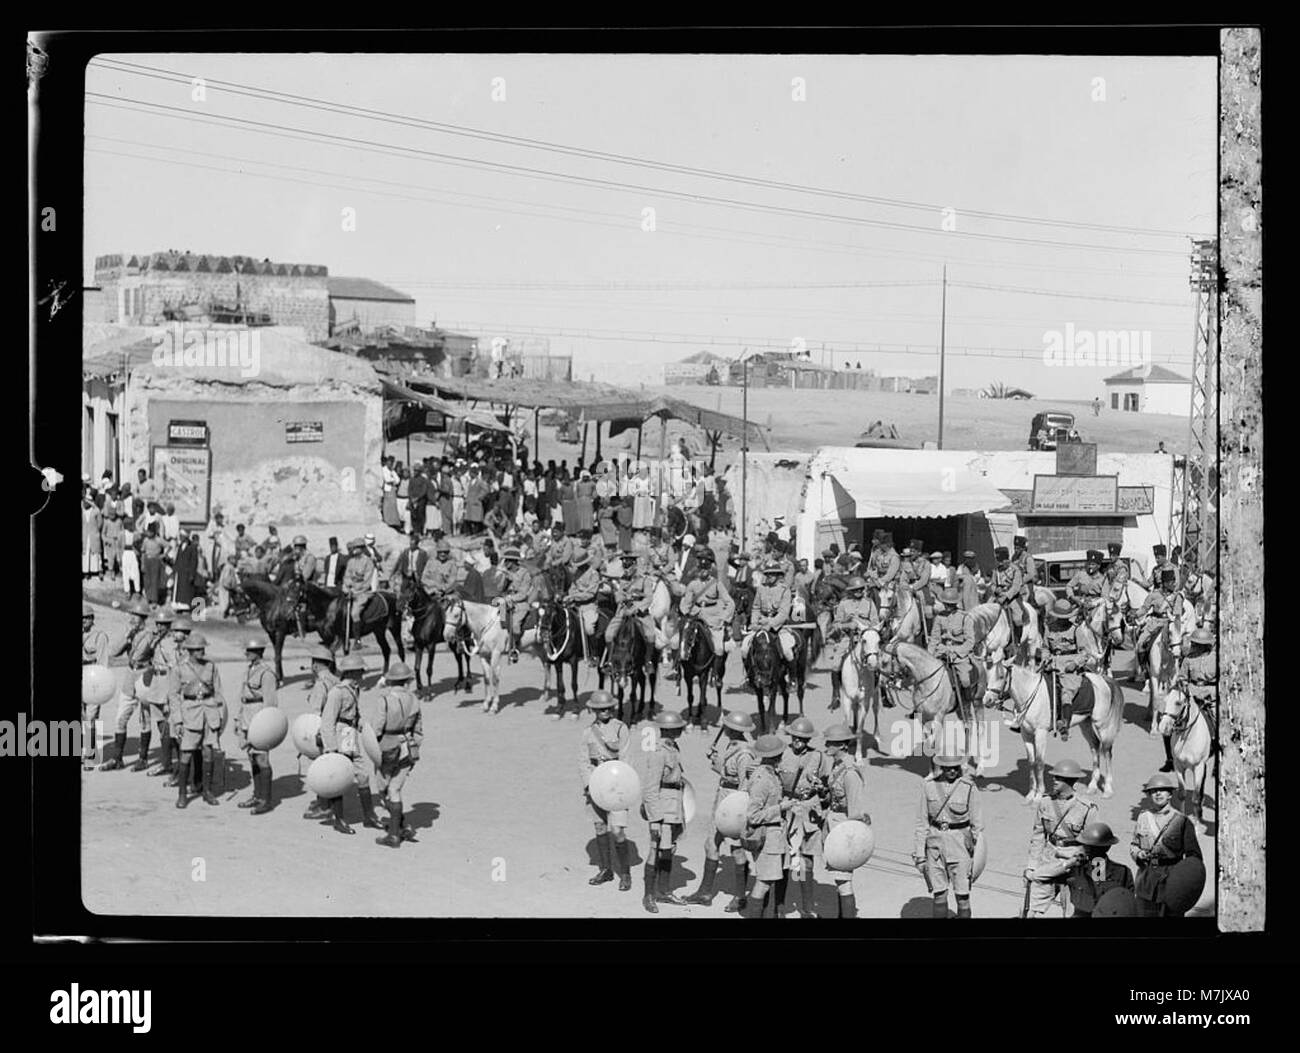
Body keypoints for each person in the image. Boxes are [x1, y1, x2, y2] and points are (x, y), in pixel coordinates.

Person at [685, 710, 758, 910]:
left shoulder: (745, 753)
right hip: (721, 799)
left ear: (733, 729)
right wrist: (716, 760)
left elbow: (744, 785)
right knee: (711, 844)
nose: (723, 728)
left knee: (736, 849)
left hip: (734, 803)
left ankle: (740, 896)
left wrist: (739, 812)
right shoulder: (732, 745)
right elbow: (726, 772)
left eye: (727, 726)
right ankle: (705, 892)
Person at [1022, 759, 1097, 918]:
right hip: (1048, 859)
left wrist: (1097, 877)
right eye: (1054, 777)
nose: (1054, 780)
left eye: (1058, 778)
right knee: (1031, 911)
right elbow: (1038, 836)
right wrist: (1031, 866)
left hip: (1073, 865)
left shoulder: (1086, 808)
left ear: (1070, 781)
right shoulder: (1046, 802)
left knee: (1071, 913)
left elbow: (1094, 845)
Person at [319, 654, 383, 836]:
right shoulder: (337, 692)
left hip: (351, 734)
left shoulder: (354, 689)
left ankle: (369, 816)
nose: (363, 673)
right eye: (360, 670)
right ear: (353, 672)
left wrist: (365, 727)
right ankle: (338, 819)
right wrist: (330, 748)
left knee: (362, 775)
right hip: (339, 735)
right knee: (339, 777)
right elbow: (327, 721)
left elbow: (355, 713)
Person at [914, 753, 983, 918]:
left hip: (960, 847)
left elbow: (977, 826)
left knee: (962, 896)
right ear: (941, 767)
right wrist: (919, 854)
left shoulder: (969, 787)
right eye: (948, 768)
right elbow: (922, 823)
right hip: (935, 847)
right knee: (939, 895)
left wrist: (976, 854)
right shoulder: (928, 786)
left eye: (955, 768)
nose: (952, 771)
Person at [580, 690, 632, 888]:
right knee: (600, 827)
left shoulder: (621, 729)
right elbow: (583, 760)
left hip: (617, 785)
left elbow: (626, 757)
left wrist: (623, 783)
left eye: (608, 708)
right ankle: (606, 869)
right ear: (593, 710)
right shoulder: (588, 732)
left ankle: (625, 874)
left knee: (618, 830)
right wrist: (588, 784)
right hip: (596, 785)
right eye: (600, 709)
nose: (605, 711)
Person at [169, 633, 228, 809]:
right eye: (198, 649)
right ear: (190, 651)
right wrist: (178, 720)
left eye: (202, 648)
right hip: (190, 713)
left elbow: (218, 692)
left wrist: (220, 715)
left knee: (208, 751)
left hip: (209, 712)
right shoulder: (179, 668)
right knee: (186, 752)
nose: (201, 652)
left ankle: (207, 791)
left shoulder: (211, 666)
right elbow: (173, 696)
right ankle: (182, 794)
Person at [1132, 771, 1203, 916]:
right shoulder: (1143, 817)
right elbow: (1134, 845)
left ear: (1170, 794)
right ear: (1149, 795)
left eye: (1162, 790)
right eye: (1153, 791)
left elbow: (1194, 858)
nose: (1157, 793)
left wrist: (1184, 884)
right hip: (1146, 882)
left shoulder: (1181, 821)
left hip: (1172, 883)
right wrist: (1139, 854)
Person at [778, 717, 828, 918]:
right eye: (796, 737)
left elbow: (825, 786)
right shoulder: (782, 752)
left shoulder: (818, 757)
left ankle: (807, 908)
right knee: (783, 860)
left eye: (803, 738)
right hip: (788, 809)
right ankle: (779, 906)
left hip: (808, 811)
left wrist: (821, 790)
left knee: (804, 861)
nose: (799, 741)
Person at [641, 710, 689, 913]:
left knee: (669, 850)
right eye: (678, 727)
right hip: (662, 808)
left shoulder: (673, 748)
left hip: (674, 806)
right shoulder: (659, 752)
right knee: (655, 849)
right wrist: (655, 819)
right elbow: (650, 788)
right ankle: (649, 895)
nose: (681, 729)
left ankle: (664, 891)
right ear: (670, 730)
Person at [99, 598, 155, 771]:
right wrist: (126, 636)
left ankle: (143, 758)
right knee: (120, 718)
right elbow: (113, 652)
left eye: (136, 616)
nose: (132, 618)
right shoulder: (128, 632)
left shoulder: (150, 635)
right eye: (131, 615)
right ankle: (117, 758)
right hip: (130, 677)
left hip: (145, 677)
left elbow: (150, 654)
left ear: (143, 618)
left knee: (145, 719)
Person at [742, 734, 793, 918]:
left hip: (776, 836)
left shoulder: (772, 774)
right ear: (775, 756)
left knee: (768, 881)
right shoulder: (763, 779)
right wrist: (780, 808)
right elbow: (753, 816)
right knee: (763, 882)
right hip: (767, 837)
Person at [372, 662, 422, 848]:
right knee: (396, 789)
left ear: (391, 679)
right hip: (407, 747)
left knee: (385, 789)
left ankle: (394, 834)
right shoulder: (414, 699)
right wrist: (414, 747)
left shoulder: (384, 700)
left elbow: (376, 729)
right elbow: (418, 730)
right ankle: (400, 826)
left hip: (387, 747)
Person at [233, 637, 278, 814]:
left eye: (249, 651)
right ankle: (257, 795)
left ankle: (266, 800)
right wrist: (238, 719)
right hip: (247, 714)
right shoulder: (249, 669)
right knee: (252, 756)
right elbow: (242, 696)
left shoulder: (266, 673)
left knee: (262, 758)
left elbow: (271, 701)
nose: (246, 654)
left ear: (258, 653)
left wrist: (266, 726)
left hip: (259, 716)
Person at [824, 577, 878, 711]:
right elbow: (836, 623)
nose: (858, 592)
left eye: (860, 589)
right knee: (836, 663)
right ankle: (836, 695)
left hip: (865, 636)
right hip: (848, 637)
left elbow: (875, 622)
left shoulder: (869, 603)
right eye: (855, 590)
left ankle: (881, 693)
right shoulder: (843, 604)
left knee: (877, 660)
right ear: (851, 591)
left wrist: (863, 625)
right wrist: (848, 625)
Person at [301, 644, 339, 821]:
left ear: (316, 664)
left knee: (320, 769)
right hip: (336, 729)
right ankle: (323, 801)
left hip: (322, 730)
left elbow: (315, 712)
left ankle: (324, 806)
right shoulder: (336, 681)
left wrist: (308, 736)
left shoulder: (320, 684)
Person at [1066, 823, 1134, 918]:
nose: (1086, 848)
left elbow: (1128, 904)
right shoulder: (1075, 869)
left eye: (1090, 846)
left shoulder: (1123, 872)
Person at [929, 586, 978, 717]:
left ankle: (966, 707)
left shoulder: (965, 617)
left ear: (955, 604)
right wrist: (929, 655)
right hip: (941, 652)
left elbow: (970, 641)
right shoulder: (939, 617)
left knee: (965, 679)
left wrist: (956, 652)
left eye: (950, 605)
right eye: (946, 604)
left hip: (959, 655)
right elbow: (934, 639)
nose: (948, 607)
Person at [679, 552, 735, 660]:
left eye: (705, 569)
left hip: (713, 618)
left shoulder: (716, 584)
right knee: (681, 640)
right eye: (700, 569)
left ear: (709, 570)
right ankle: (676, 668)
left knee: (718, 648)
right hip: (695, 615)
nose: (703, 571)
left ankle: (715, 674)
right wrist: (686, 614)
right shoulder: (692, 584)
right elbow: (686, 603)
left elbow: (729, 602)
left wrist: (724, 617)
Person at [740, 561, 797, 664]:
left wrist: (770, 624)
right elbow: (756, 607)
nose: (770, 576)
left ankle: (792, 678)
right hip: (761, 624)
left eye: (773, 573)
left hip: (779, 627)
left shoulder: (785, 590)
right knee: (744, 648)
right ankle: (749, 676)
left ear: (778, 575)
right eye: (767, 574)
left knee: (787, 651)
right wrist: (754, 622)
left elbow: (784, 613)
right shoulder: (761, 588)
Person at [1133, 569, 1183, 684]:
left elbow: (1177, 612)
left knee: (1181, 644)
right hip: (1155, 622)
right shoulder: (1154, 595)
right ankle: (1144, 670)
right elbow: (1144, 608)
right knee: (1140, 643)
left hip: (1171, 623)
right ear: (1164, 583)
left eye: (1174, 581)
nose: (1174, 584)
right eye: (1171, 582)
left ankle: (1182, 669)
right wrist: (1134, 615)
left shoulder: (1177, 596)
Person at [81, 603, 109, 769]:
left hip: (93, 678)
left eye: (87, 618)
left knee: (91, 716)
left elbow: (103, 662)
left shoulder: (100, 636)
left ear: (92, 620)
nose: (84, 621)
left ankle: (92, 756)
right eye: (82, 618)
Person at [563, 547, 603, 666]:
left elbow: (590, 593)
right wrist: (570, 596)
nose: (579, 567)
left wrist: (575, 597)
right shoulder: (576, 574)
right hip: (575, 605)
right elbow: (572, 588)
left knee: (588, 628)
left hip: (589, 605)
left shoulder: (594, 574)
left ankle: (594, 654)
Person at [341, 538, 375, 647]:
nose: (354, 550)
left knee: (355, 613)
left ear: (361, 548)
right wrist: (348, 587)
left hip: (363, 592)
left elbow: (367, 581)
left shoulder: (368, 561)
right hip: (350, 591)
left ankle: (358, 640)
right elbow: (346, 576)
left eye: (356, 548)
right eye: (353, 548)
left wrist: (355, 589)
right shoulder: (351, 561)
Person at [990, 546, 1025, 644]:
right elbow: (992, 584)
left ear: (1007, 559)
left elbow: (1016, 587)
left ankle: (1018, 640)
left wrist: (1006, 596)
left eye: (1002, 560)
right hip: (998, 595)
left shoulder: (1015, 570)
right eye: (999, 561)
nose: (1000, 563)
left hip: (1012, 597)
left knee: (1017, 618)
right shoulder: (996, 570)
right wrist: (996, 590)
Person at [1066, 550, 1106, 616]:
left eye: (1093, 564)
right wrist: (1073, 597)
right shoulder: (1080, 574)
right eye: (1089, 564)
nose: (1090, 566)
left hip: (1097, 607)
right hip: (1081, 604)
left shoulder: (1103, 579)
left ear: (1098, 566)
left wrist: (1094, 603)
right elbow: (1069, 586)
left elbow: (1105, 596)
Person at [82, 494, 104, 581]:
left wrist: (95, 531)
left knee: (95, 553)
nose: (84, 503)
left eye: (86, 502)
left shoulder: (96, 511)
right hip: (84, 535)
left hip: (94, 535)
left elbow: (100, 523)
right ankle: (86, 572)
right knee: (86, 553)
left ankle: (98, 570)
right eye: (84, 501)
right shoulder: (82, 510)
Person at [407, 463, 430, 538]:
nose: (415, 472)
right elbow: (409, 489)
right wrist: (411, 498)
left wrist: (417, 498)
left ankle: (420, 531)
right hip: (412, 500)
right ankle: (415, 531)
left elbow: (424, 490)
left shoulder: (423, 480)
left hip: (420, 500)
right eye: (414, 470)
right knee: (413, 516)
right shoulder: (412, 479)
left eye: (417, 470)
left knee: (420, 516)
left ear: (420, 471)